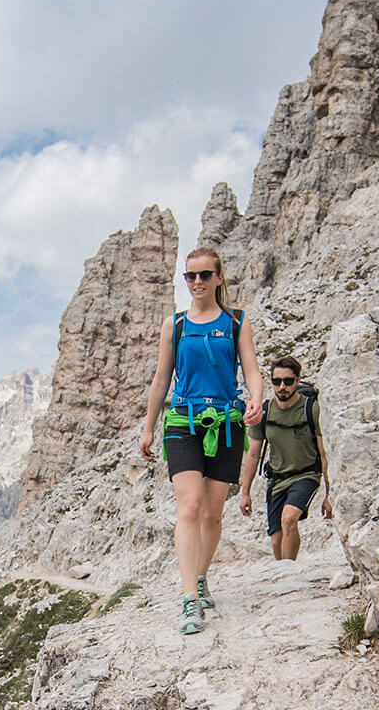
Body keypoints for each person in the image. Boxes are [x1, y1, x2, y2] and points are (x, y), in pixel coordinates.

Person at [140, 246, 264, 635]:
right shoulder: (174, 325)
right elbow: (162, 378)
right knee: (190, 507)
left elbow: (251, 369)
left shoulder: (237, 322)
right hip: (182, 421)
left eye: (205, 275)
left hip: (227, 422)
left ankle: (201, 576)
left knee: (213, 514)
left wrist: (256, 399)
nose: (197, 282)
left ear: (219, 277)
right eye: (190, 276)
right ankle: (190, 598)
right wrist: (148, 427)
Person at [238, 356, 333, 560]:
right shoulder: (264, 412)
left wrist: (329, 494)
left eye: (288, 381)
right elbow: (253, 454)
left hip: (306, 475)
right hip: (277, 480)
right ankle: (283, 569)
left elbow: (324, 453)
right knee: (276, 539)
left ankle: (289, 569)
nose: (282, 387)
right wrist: (245, 492)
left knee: (289, 519)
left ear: (297, 380)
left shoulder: (311, 409)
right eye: (277, 381)